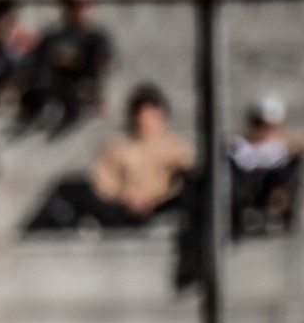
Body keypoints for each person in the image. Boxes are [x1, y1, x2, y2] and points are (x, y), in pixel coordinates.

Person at [25, 85, 196, 237]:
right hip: (122, 208)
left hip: (159, 207)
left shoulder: (177, 147)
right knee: (69, 188)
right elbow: (103, 180)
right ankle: (35, 234)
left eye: (153, 115)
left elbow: (183, 182)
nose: (148, 121)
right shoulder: (118, 145)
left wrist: (153, 197)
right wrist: (124, 196)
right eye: (144, 115)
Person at [17, 0, 113, 137]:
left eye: (86, 4)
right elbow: (40, 69)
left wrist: (72, 62)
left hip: (83, 99)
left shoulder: (97, 40)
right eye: (74, 4)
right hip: (55, 97)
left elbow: (100, 67)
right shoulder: (52, 38)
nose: (80, 10)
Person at [228, 95, 304, 239]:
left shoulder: (285, 146)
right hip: (247, 185)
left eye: (269, 125)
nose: (264, 130)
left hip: (273, 185)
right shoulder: (240, 145)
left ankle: (276, 212)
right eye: (259, 124)